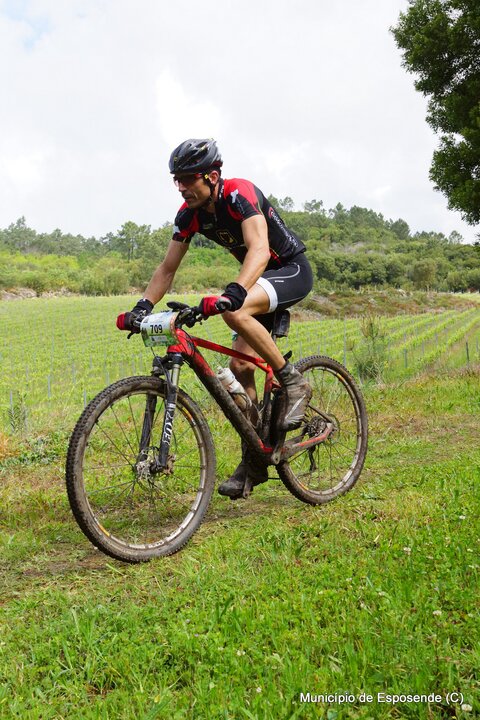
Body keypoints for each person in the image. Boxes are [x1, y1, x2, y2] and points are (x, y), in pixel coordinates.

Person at [123, 138, 314, 499]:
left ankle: (294, 382)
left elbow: (260, 250)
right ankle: (255, 458)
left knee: (235, 311)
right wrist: (142, 306)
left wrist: (235, 292)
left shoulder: (238, 194)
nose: (181, 187)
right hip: (256, 283)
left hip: (289, 271)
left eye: (188, 179)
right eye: (176, 180)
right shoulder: (189, 215)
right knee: (240, 369)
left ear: (211, 176)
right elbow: (167, 268)